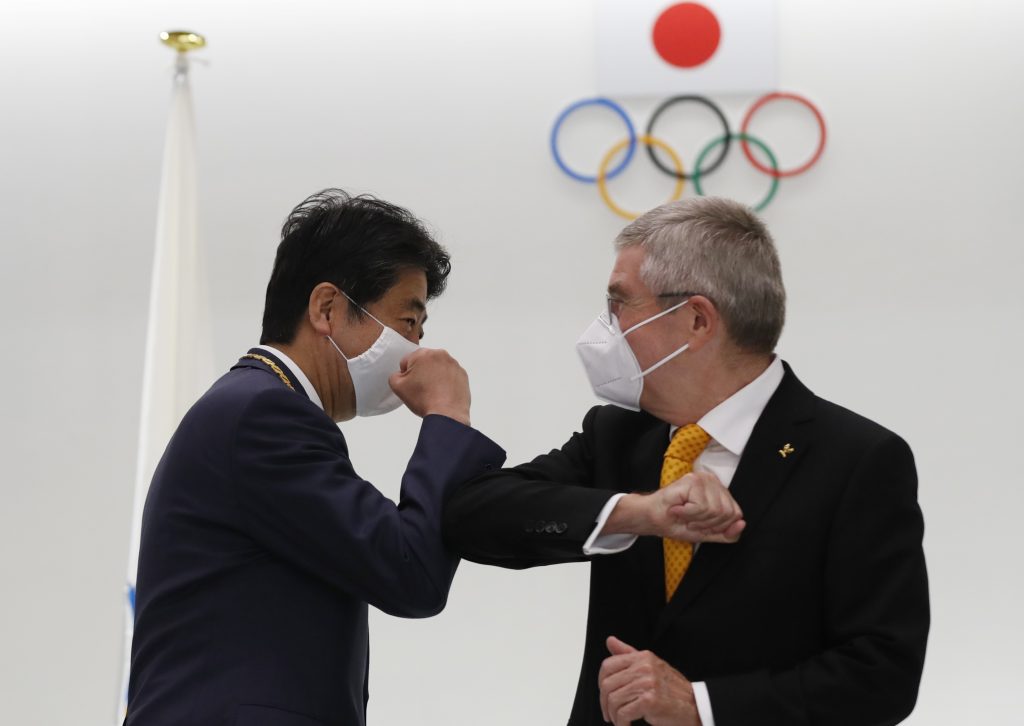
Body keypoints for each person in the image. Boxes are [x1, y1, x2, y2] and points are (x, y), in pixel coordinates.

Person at [443, 197, 929, 726]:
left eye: (620, 303)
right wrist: (637, 513)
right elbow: (469, 516)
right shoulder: (618, 434)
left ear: (696, 320)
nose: (605, 326)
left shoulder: (857, 459)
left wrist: (701, 705)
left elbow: (883, 674)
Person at [125, 189, 506, 726]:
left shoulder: (252, 407)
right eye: (407, 322)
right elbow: (409, 571)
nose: (419, 349)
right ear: (327, 308)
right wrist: (447, 417)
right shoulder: (263, 417)